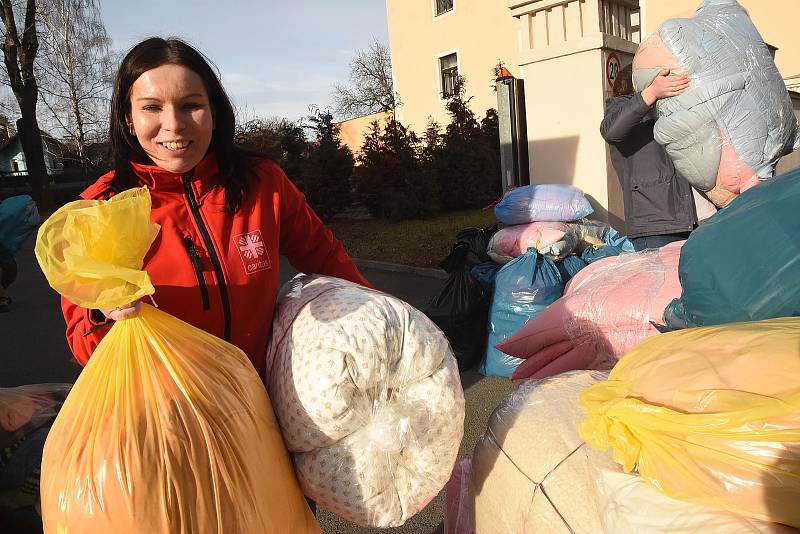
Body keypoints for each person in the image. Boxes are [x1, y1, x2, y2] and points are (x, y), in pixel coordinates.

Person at [60, 37, 371, 379]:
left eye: (190, 104)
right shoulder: (99, 208)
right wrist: (104, 314)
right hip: (167, 419)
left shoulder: (262, 182)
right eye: (151, 107)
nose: (175, 124)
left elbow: (324, 257)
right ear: (128, 119)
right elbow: (83, 345)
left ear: (214, 112)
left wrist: (385, 319)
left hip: (260, 403)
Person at [600, 64, 697, 251]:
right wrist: (651, 93)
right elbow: (611, 131)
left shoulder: (671, 107)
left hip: (694, 219)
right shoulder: (620, 106)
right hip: (656, 226)